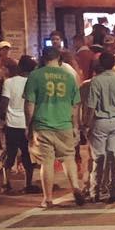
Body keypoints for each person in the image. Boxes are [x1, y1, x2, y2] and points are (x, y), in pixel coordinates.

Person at [24, 46, 87, 208]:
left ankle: (48, 198)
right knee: (68, 157)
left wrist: (28, 125)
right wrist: (75, 126)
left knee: (47, 162)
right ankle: (76, 187)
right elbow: (75, 105)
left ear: (43, 58)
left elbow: (29, 104)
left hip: (43, 124)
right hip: (64, 123)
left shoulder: (35, 76)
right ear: (59, 58)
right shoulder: (68, 76)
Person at [85, 51, 115, 202]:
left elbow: (91, 106)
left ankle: (95, 191)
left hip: (100, 121)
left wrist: (87, 124)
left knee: (98, 158)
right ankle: (113, 190)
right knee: (113, 157)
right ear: (113, 64)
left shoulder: (96, 81)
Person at [0, 54, 37, 194]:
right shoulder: (34, 82)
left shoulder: (9, 82)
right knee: (27, 155)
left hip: (12, 123)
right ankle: (28, 183)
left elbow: (4, 103)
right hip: (28, 124)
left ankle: (6, 182)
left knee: (10, 153)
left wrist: (0, 118)